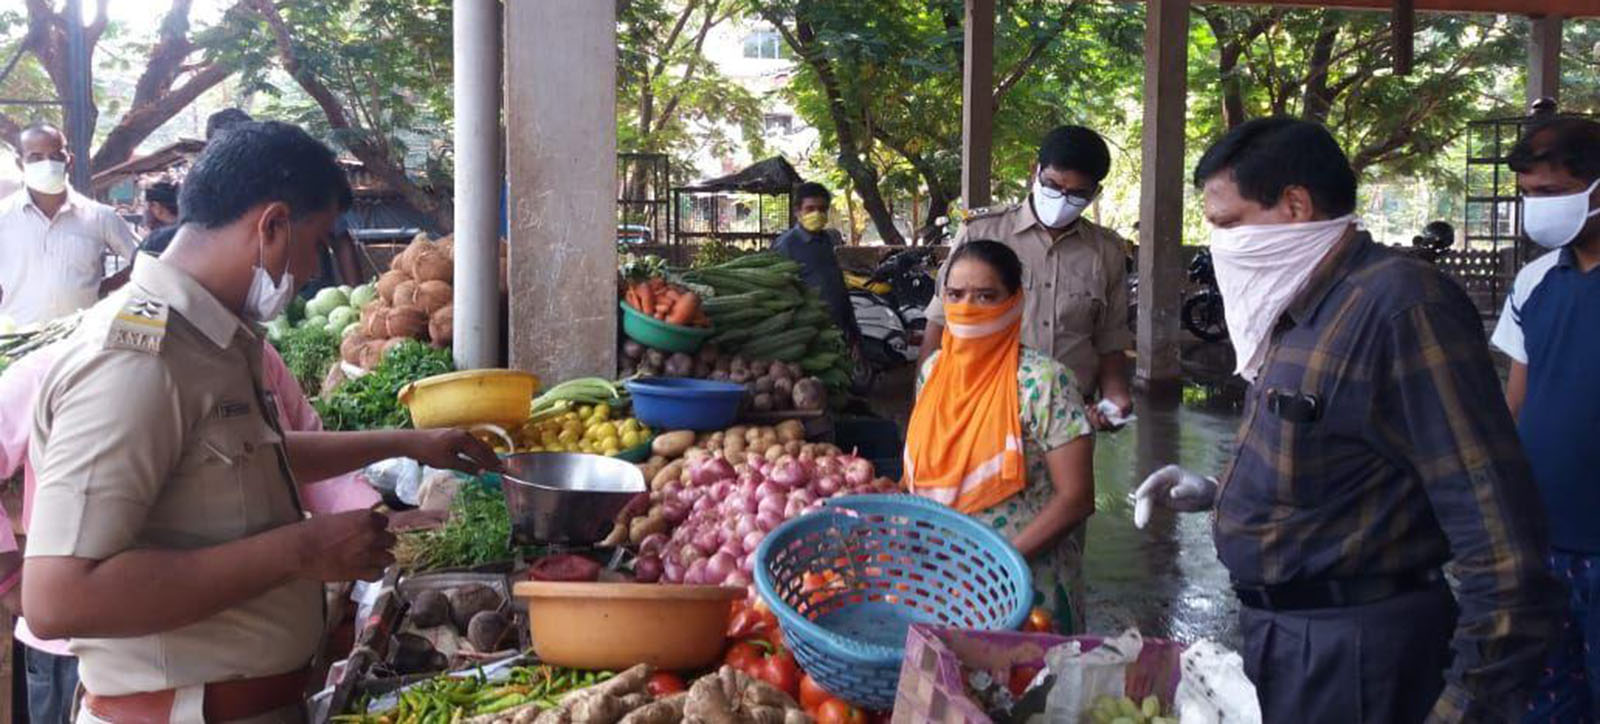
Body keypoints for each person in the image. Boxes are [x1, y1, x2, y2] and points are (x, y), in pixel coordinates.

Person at [20, 121, 497, 724]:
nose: (311, 269)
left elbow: (248, 454)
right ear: (272, 227)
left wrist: (414, 442)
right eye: (317, 242)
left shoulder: (211, 337)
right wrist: (300, 550)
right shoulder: (137, 359)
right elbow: (59, 599)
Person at [1132, 117, 1559, 721]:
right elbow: (1333, 455)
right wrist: (1222, 493)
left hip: (1359, 647)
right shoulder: (1296, 306)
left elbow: (1500, 540)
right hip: (1285, 637)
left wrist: (1465, 705)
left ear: (1296, 205)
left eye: (1228, 224)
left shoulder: (1401, 309)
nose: (1219, 244)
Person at [904, 240, 1095, 633]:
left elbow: (1076, 499)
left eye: (986, 296)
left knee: (1024, 686)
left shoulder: (1043, 382)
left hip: (1023, 586)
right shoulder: (933, 372)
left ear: (1014, 302)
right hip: (940, 580)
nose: (968, 308)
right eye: (955, 295)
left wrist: (999, 563)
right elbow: (921, 467)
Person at [1489, 116, 1600, 722]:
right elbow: (1515, 402)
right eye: (1531, 195)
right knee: (1544, 701)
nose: (1539, 210)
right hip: (1541, 542)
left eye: (1554, 194)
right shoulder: (1535, 281)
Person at [920, 126, 1132, 430]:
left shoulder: (1106, 252)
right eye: (1053, 185)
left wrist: (1115, 397)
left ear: (1094, 193)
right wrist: (926, 407)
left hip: (1068, 417)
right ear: (1036, 171)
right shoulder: (982, 232)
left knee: (1067, 481)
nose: (1062, 199)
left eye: (1076, 194)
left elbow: (1110, 339)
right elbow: (940, 322)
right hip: (980, 412)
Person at [0, 123, 141, 326]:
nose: (47, 164)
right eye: (36, 157)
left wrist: (106, 286)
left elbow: (142, 261)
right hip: (18, 342)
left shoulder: (100, 216)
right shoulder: (3, 216)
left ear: (69, 161)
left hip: (80, 340)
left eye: (56, 156)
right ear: (20, 163)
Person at [771, 182, 861, 345]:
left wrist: (853, 329)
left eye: (822, 209)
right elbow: (779, 291)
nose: (817, 214)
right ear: (798, 212)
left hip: (837, 328)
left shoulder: (828, 240)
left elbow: (837, 284)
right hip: (809, 334)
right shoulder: (786, 244)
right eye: (810, 209)